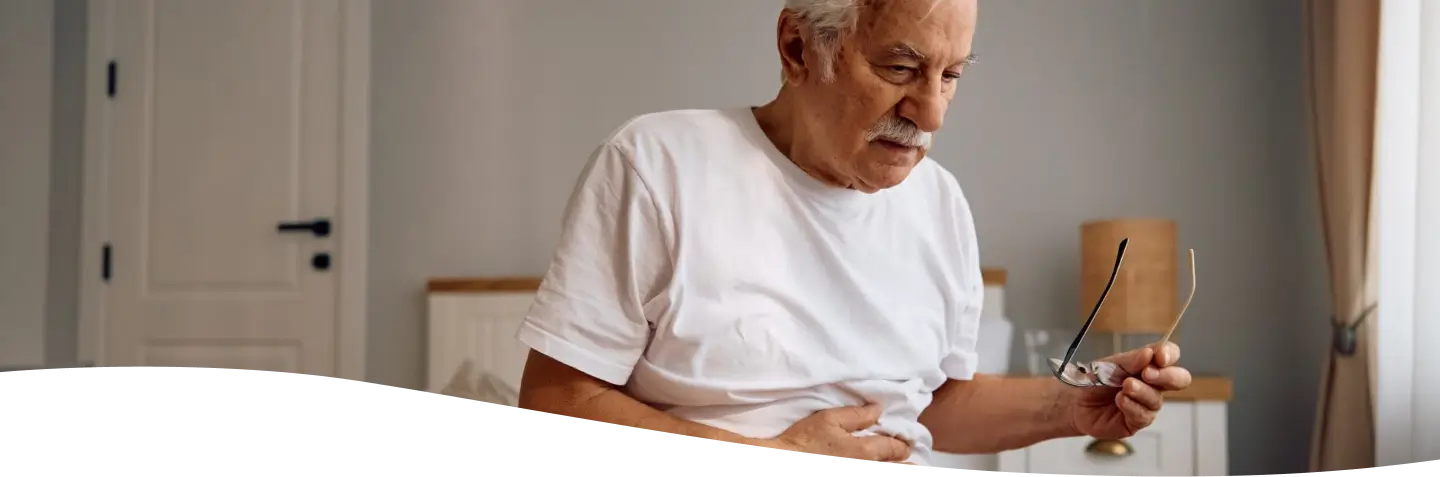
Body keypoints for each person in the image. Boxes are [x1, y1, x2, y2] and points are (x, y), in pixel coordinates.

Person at [514, 0, 1192, 468]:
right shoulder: (658, 164)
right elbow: (557, 398)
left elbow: (938, 403)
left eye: (951, 75)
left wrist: (1076, 406)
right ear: (797, 47)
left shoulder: (940, 203)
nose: (931, 113)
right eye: (900, 68)